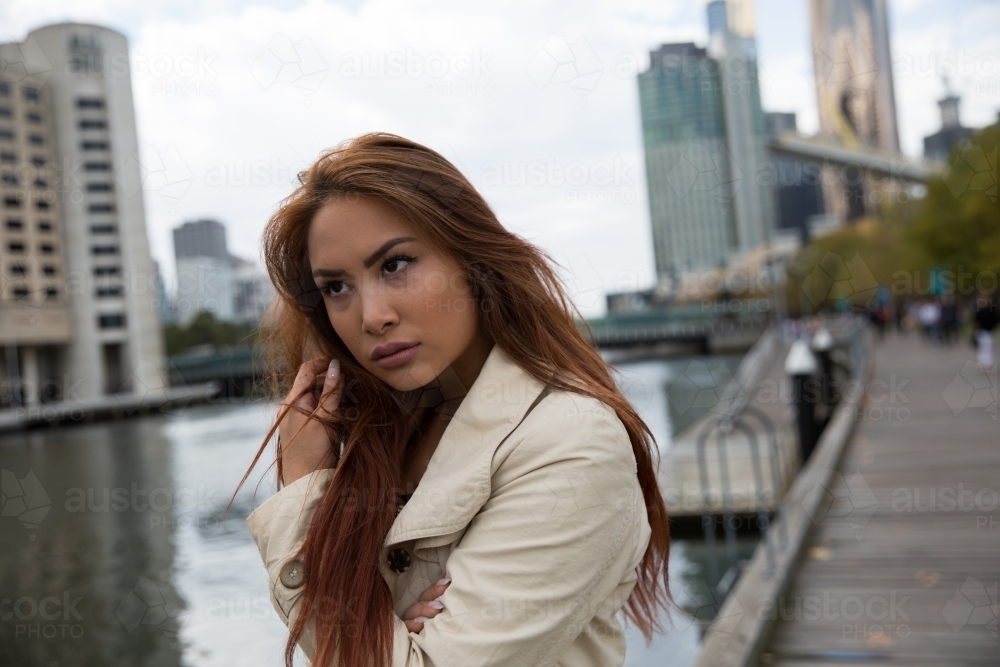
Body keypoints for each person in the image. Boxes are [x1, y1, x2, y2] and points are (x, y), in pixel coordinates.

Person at [233, 133, 672, 667]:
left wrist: (304, 488)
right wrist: (394, 627)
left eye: (395, 264)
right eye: (336, 288)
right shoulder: (376, 431)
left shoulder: (571, 441)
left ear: (472, 261)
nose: (372, 316)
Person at [973, 292, 999, 367]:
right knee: (982, 346)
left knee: (989, 346)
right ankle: (982, 361)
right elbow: (976, 320)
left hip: (989, 331)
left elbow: (996, 319)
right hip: (981, 331)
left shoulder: (992, 310)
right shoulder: (979, 310)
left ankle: (989, 361)